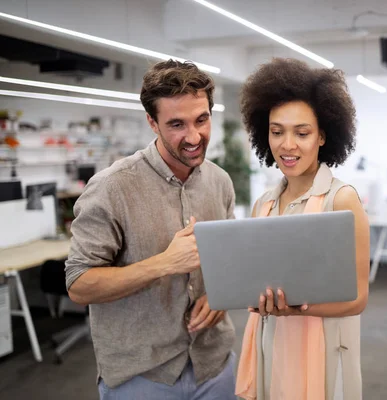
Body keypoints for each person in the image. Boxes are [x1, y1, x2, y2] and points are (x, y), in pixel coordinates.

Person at [65, 60, 236, 400]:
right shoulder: (112, 188)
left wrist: (220, 295)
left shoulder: (219, 181)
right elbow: (79, 285)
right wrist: (165, 263)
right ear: (152, 123)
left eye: (201, 120)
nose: (193, 136)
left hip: (214, 365)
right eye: (176, 124)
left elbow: (229, 259)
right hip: (142, 378)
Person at [235, 58, 370, 400]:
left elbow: (357, 299)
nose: (287, 145)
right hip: (271, 341)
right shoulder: (263, 204)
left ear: (323, 135)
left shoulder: (341, 200)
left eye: (302, 132)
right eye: (277, 131)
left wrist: (297, 308)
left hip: (322, 349)